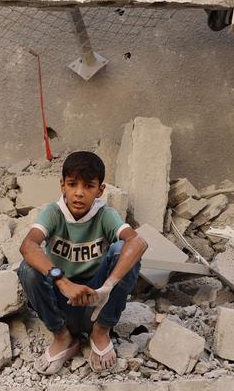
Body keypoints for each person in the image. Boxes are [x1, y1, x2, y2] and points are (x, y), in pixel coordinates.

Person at [18, 151, 147, 375]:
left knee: (124, 250)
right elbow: (28, 246)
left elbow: (138, 242)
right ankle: (62, 335)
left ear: (100, 190)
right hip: (62, 299)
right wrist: (62, 281)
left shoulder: (105, 215)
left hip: (95, 301)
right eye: (72, 184)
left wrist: (107, 287)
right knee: (28, 268)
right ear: (62, 186)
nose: (79, 193)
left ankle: (101, 330)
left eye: (88, 186)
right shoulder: (53, 212)